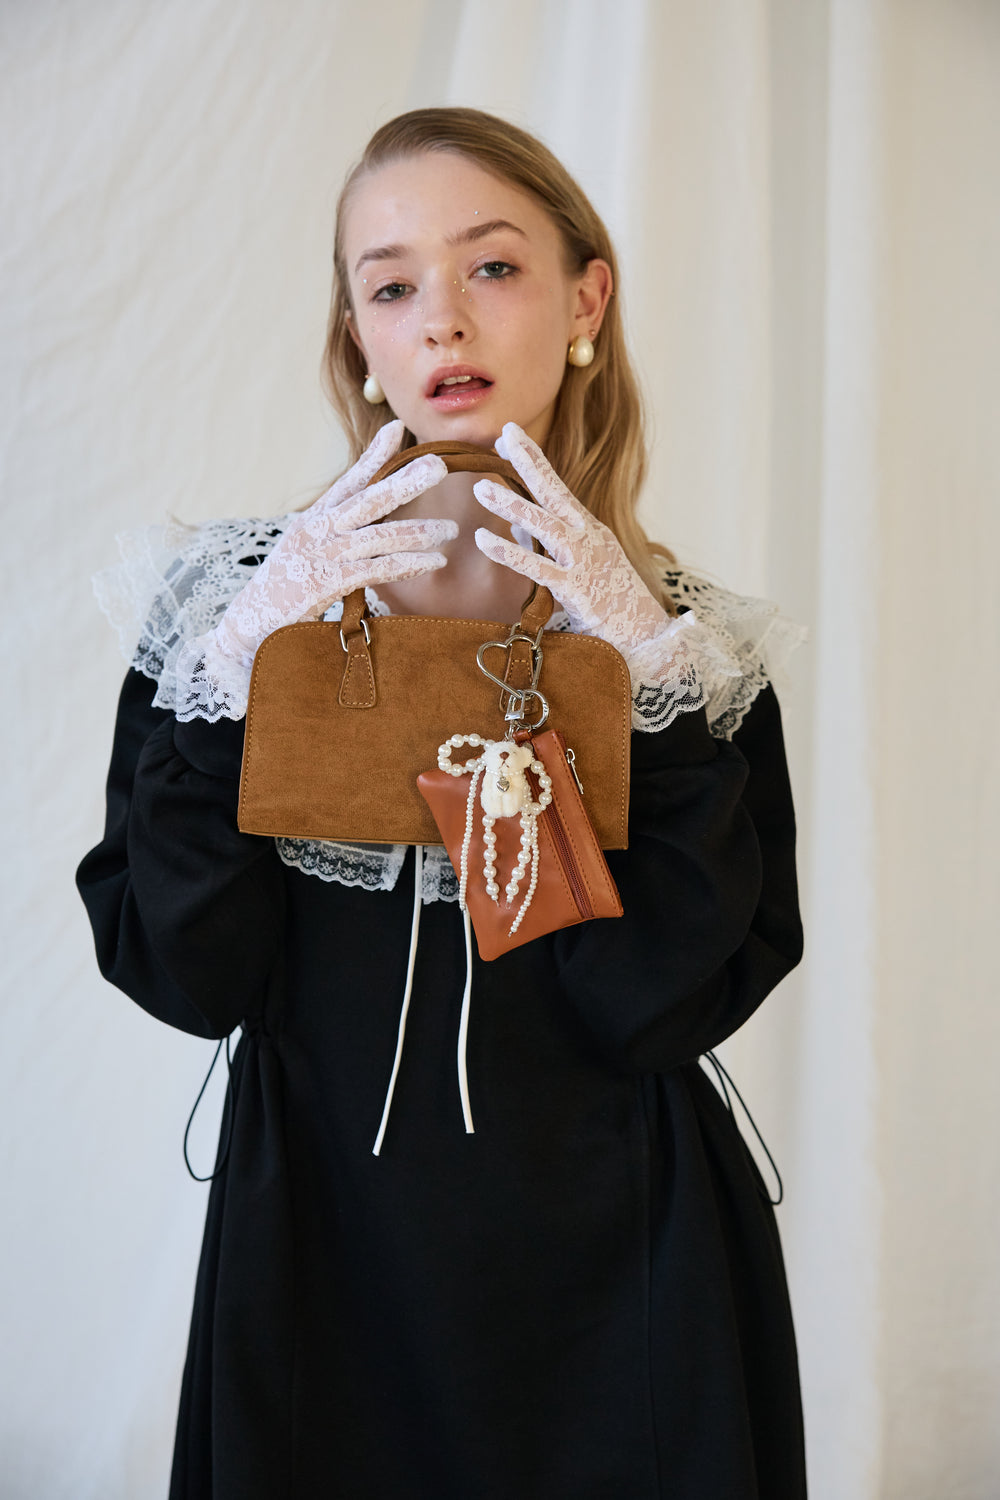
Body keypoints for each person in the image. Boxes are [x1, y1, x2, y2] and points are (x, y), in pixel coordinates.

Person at [78, 107, 807, 1499]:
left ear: (585, 298)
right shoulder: (229, 616)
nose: (443, 322)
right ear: (357, 330)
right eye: (392, 284)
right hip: (320, 1264)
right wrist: (234, 679)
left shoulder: (688, 650)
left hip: (624, 1280)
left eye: (493, 267)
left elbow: (656, 1006)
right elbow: (185, 970)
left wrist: (650, 682)